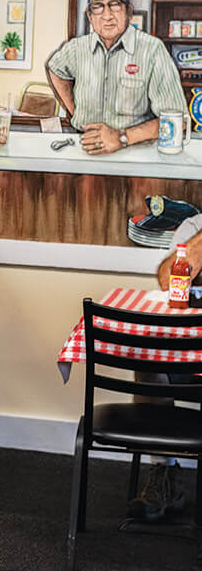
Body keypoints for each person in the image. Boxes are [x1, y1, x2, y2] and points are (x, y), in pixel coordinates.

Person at [47, 0, 187, 155]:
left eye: (115, 4)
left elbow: (178, 119)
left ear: (128, 11)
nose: (107, 16)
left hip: (136, 155)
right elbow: (55, 69)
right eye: (98, 6)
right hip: (83, 149)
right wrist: (76, 112)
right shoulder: (76, 48)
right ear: (90, 16)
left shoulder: (152, 50)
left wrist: (122, 137)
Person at [125, 213, 202, 522]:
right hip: (191, 355)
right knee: (148, 358)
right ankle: (163, 472)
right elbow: (169, 280)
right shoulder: (193, 227)